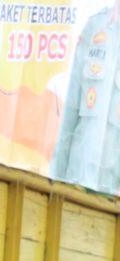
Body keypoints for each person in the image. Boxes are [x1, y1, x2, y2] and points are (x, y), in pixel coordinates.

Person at [51, 3, 120, 194]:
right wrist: (56, 180)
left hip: (112, 192)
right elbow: (70, 114)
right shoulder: (95, 27)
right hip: (76, 179)